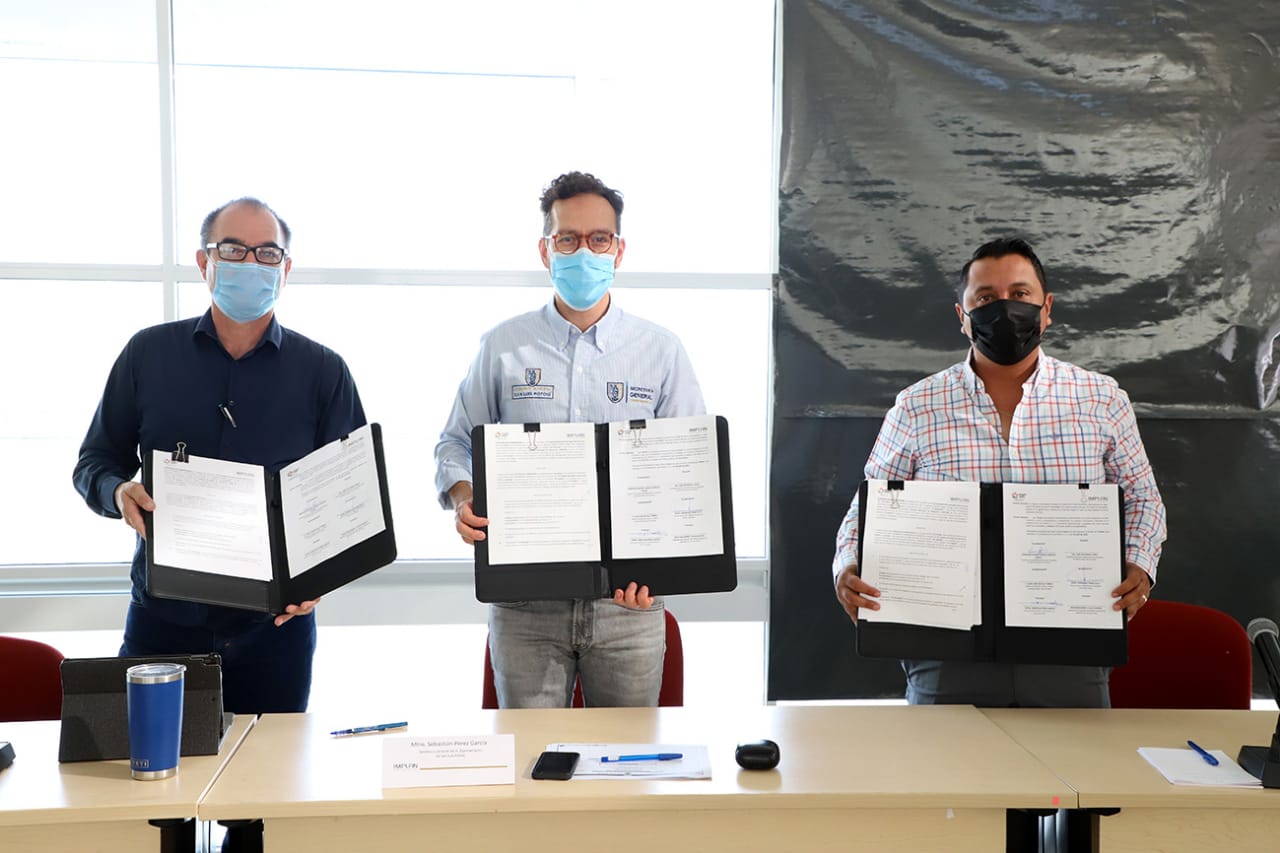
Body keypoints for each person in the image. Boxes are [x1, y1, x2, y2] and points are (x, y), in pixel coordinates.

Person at [832, 236, 1167, 708]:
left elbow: (1143, 498)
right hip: (944, 649)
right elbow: (867, 507)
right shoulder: (917, 406)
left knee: (1073, 761)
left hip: (1070, 645)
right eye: (986, 298)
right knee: (945, 759)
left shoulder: (1101, 399)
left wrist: (1140, 564)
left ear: (1047, 309)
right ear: (962, 316)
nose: (1004, 309)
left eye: (1020, 294)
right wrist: (848, 564)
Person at [73, 197, 366, 715]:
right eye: (233, 249)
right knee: (147, 756)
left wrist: (319, 580)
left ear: (285, 269)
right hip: (163, 619)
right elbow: (94, 462)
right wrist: (118, 493)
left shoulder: (324, 372)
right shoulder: (147, 354)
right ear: (204, 261)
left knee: (272, 766)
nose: (251, 263)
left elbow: (349, 498)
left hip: (274, 629)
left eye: (267, 253)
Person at [435, 171, 705, 708]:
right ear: (545, 250)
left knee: (628, 756)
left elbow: (691, 467)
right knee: (532, 755)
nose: (584, 251)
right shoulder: (503, 346)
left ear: (619, 250)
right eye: (568, 239)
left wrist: (666, 564)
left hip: (626, 604)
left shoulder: (661, 351)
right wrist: (464, 499)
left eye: (598, 239)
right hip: (525, 604)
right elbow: (455, 443)